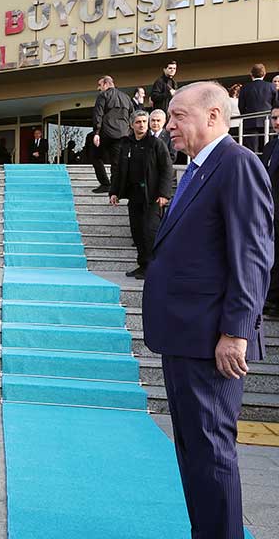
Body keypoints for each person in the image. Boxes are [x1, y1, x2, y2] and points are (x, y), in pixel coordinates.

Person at [145, 81, 271, 539]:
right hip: (184, 337)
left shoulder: (237, 165)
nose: (169, 124)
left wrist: (236, 331)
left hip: (212, 342)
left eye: (178, 115)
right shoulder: (197, 169)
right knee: (195, 455)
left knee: (213, 455)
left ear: (214, 115)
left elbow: (253, 255)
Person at [108, 111, 173, 279]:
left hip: (152, 197)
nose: (142, 124)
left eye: (145, 121)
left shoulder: (156, 144)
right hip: (134, 195)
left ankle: (154, 267)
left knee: (149, 232)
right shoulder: (126, 144)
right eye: (138, 122)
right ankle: (143, 265)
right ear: (131, 125)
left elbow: (167, 168)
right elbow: (118, 170)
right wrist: (114, 192)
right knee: (137, 232)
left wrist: (164, 194)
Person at [91, 75, 135, 193]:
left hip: (106, 133)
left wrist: (96, 133)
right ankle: (115, 188)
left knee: (95, 156)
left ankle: (105, 184)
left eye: (100, 85)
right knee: (116, 162)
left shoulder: (103, 96)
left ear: (106, 84)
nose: (98, 88)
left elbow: (98, 115)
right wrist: (130, 132)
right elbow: (133, 116)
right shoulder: (126, 97)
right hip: (123, 134)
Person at [262, 106, 279, 318]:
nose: (276, 121)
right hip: (270, 211)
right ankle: (271, 298)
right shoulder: (269, 146)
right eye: (274, 118)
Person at [239, 64, 275, 153]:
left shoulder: (245, 87)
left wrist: (246, 116)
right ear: (264, 74)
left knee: (252, 152)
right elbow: (275, 104)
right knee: (268, 150)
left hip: (250, 122)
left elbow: (241, 106)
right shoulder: (271, 86)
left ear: (251, 74)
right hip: (268, 122)